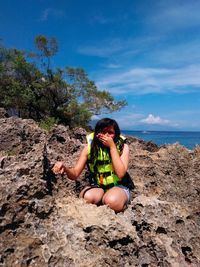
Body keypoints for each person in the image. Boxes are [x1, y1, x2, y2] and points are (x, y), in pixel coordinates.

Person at [52, 118, 131, 212]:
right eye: (103, 132)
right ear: (97, 133)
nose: (106, 135)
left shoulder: (123, 147)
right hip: (99, 185)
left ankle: (122, 202)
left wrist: (112, 147)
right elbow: (75, 174)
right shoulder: (89, 148)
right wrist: (65, 168)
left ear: (116, 134)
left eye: (110, 132)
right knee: (86, 198)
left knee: (112, 202)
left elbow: (121, 174)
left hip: (119, 186)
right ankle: (104, 199)